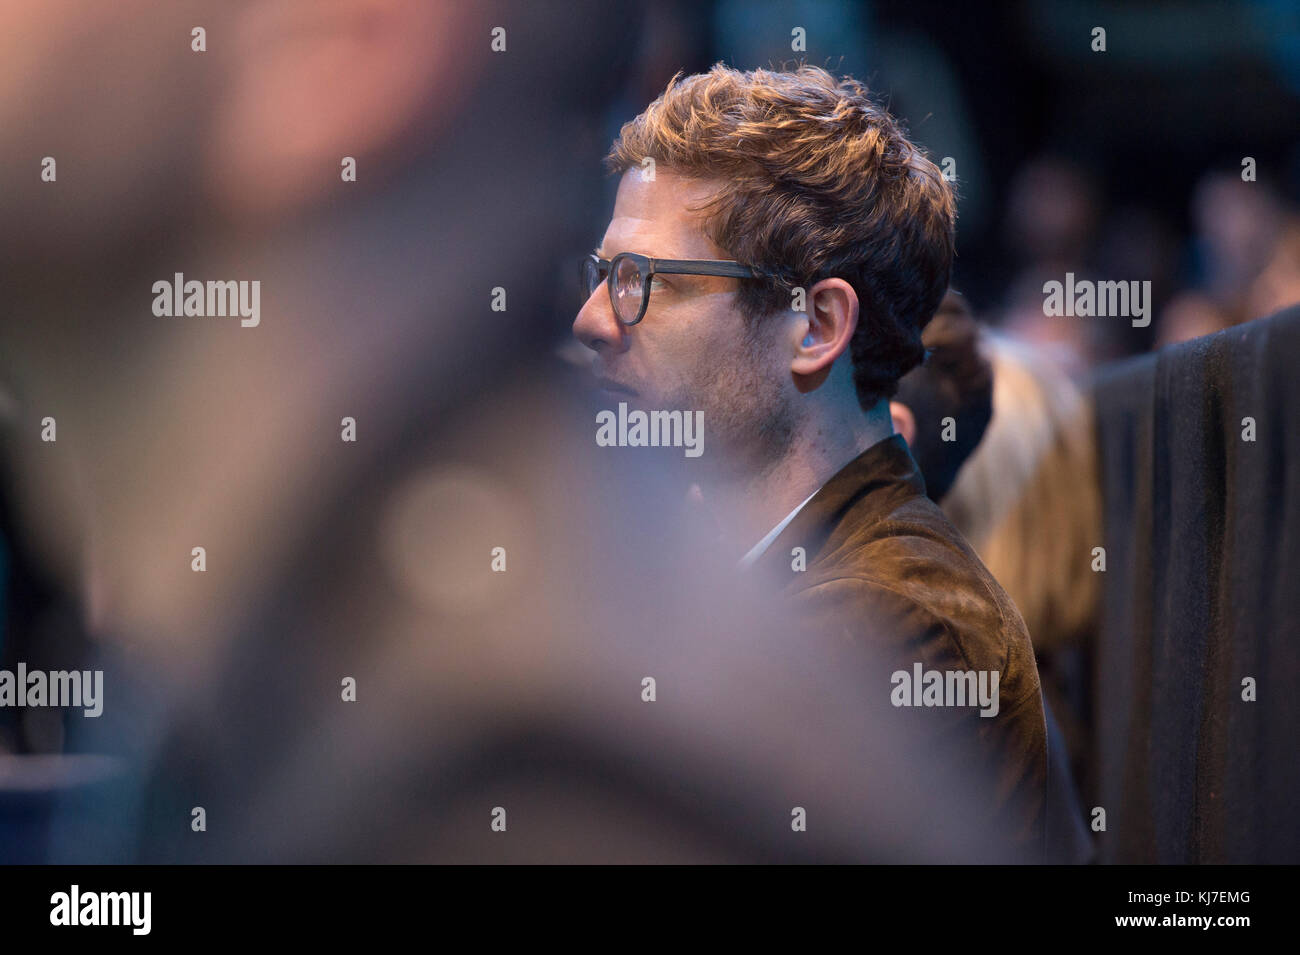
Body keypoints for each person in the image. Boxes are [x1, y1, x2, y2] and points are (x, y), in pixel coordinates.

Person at [573, 63, 1051, 858]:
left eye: (640, 280)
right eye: (602, 275)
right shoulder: (754, 580)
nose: (593, 320)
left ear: (816, 325)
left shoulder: (901, 618)